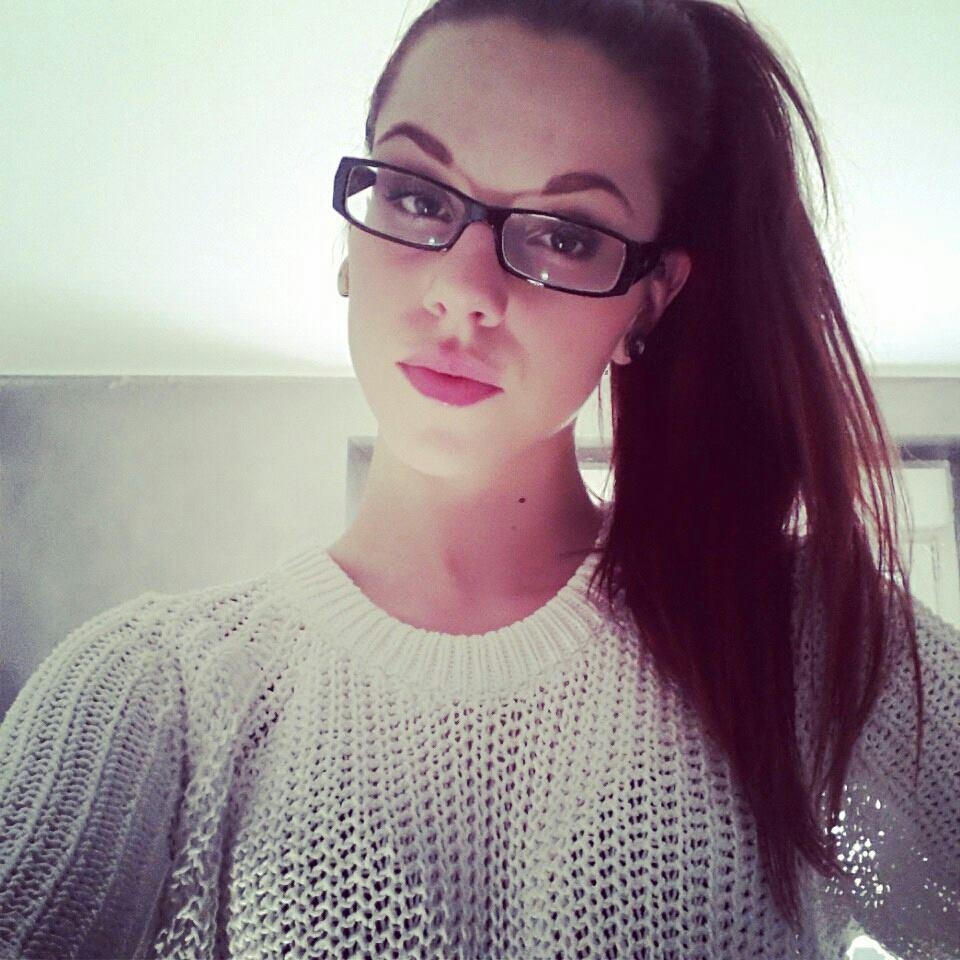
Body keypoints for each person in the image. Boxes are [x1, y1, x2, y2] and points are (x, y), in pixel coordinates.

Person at [1, 0, 957, 957]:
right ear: (351, 240)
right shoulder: (149, 686)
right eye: (419, 198)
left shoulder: (802, 638)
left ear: (647, 302)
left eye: (566, 235)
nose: (463, 290)